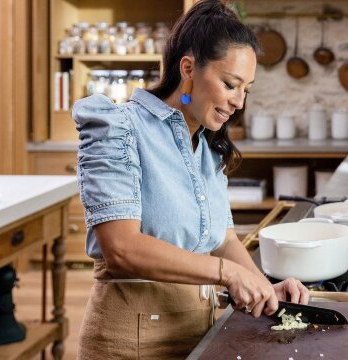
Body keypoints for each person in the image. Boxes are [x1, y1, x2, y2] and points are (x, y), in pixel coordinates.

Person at [73, 1, 309, 358]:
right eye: (230, 84)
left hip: (199, 335)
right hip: (128, 344)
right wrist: (228, 274)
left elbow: (223, 240)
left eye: (246, 89)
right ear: (188, 68)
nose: (238, 102)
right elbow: (121, 248)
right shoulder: (120, 128)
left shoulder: (207, 146)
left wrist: (264, 288)